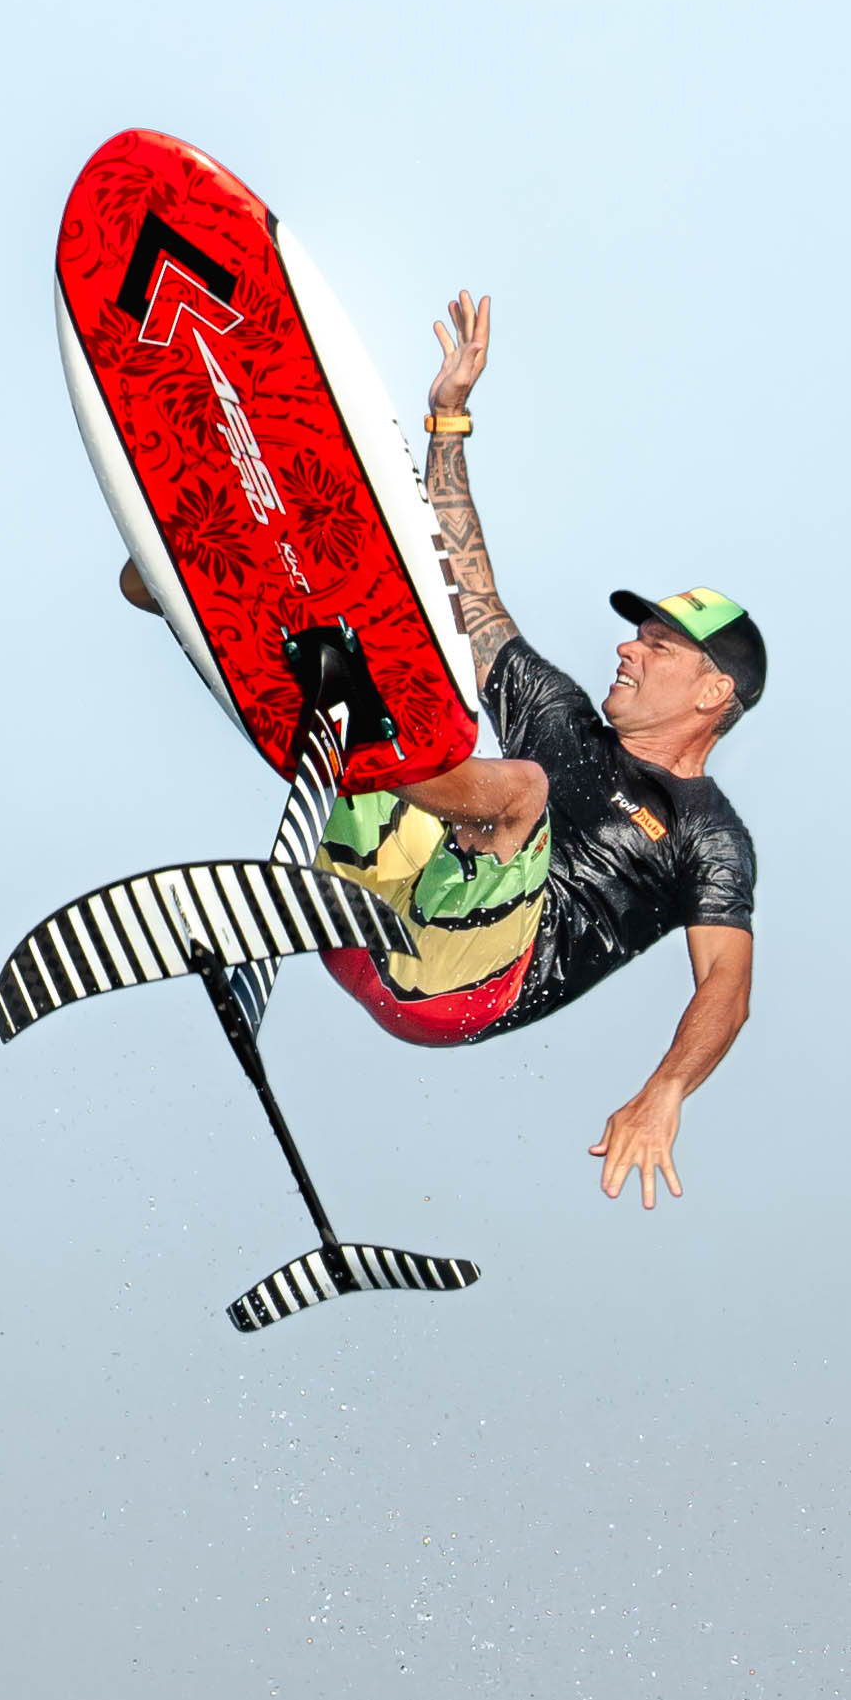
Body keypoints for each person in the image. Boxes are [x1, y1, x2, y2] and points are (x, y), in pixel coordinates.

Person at [309, 292, 760, 1210]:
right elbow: (465, 588)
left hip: (454, 988)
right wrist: (447, 419)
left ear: (713, 692)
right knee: (397, 645)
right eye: (636, 636)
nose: (627, 647)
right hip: (362, 916)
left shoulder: (707, 834)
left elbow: (727, 987)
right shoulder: (562, 713)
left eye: (657, 646)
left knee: (515, 787)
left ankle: (325, 695)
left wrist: (664, 1088)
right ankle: (254, 630)